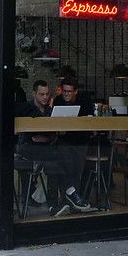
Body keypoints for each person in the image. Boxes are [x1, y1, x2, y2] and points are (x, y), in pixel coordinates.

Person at [15, 80, 92, 216]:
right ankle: (70, 191)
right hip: (27, 148)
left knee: (54, 163)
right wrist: (45, 134)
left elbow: (50, 134)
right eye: (41, 94)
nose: (45, 97)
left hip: (46, 150)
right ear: (34, 94)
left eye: (47, 94)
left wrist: (46, 136)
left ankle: (53, 206)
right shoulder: (26, 107)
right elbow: (33, 131)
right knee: (60, 152)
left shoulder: (50, 110)